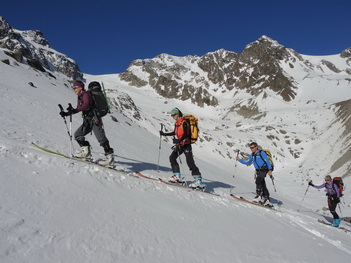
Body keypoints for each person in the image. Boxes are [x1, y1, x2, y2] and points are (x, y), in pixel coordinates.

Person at [59, 80, 114, 166]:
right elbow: (79, 108)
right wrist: (67, 113)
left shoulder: (86, 95)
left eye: (75, 88)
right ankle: (86, 152)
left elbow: (86, 105)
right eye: (73, 88)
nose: (74, 90)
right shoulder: (80, 97)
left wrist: (74, 110)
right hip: (87, 120)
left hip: (95, 119)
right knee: (77, 135)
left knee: (101, 138)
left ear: (81, 87)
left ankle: (110, 158)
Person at [160, 107, 204, 189]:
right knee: (172, 157)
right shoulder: (177, 123)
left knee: (190, 162)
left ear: (178, 114)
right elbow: (174, 132)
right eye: (172, 115)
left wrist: (178, 140)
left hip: (186, 144)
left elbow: (186, 134)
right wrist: (165, 134)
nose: (172, 116)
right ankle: (177, 177)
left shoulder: (184, 122)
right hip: (180, 144)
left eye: (174, 114)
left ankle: (198, 181)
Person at [236, 142, 273, 206]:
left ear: (256, 147)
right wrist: (239, 160)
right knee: (262, 184)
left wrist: (270, 170)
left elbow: (267, 161)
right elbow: (247, 162)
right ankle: (267, 199)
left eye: (252, 147)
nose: (251, 149)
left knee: (258, 181)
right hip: (258, 171)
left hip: (264, 169)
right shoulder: (252, 155)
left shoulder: (261, 153)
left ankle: (259, 196)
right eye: (250, 148)